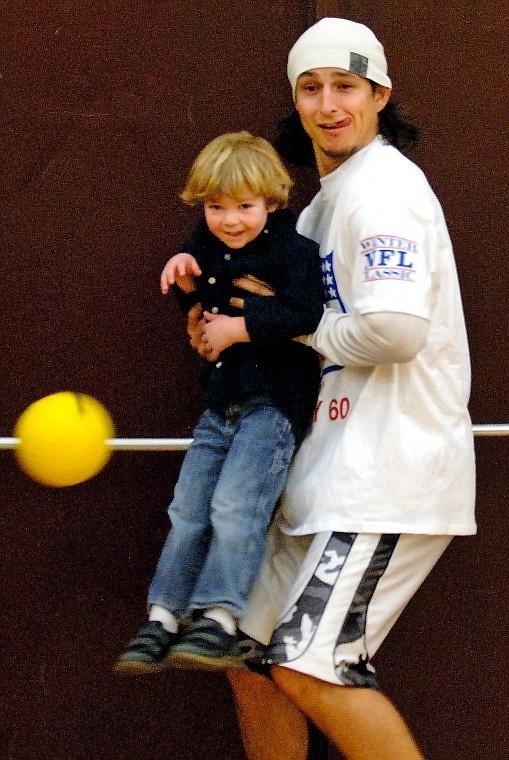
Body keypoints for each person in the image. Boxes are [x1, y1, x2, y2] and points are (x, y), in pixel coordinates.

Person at [172, 17, 477, 760]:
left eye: (346, 86)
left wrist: (288, 328)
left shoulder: (383, 193)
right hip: (324, 470)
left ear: (380, 95)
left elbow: (395, 332)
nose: (328, 103)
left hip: (387, 471)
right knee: (245, 654)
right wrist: (225, 328)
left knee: (313, 668)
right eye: (311, 88)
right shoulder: (316, 208)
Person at [114, 131, 324, 673]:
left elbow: (304, 314)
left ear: (272, 203)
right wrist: (184, 276)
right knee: (188, 509)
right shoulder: (205, 246)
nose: (230, 220)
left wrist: (242, 326)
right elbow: (202, 300)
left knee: (235, 508)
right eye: (216, 207)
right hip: (221, 403)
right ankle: (163, 615)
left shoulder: (292, 252)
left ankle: (220, 617)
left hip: (272, 406)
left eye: (245, 207)